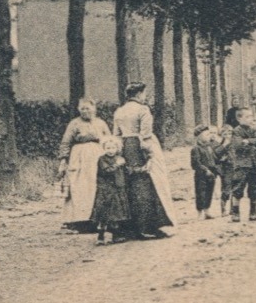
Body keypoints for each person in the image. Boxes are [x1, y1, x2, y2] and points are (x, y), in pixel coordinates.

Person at [112, 83, 176, 213]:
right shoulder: (143, 109)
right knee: (147, 180)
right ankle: (148, 222)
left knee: (128, 181)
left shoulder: (119, 111)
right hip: (139, 146)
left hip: (125, 146)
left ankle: (128, 223)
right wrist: (150, 154)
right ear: (139, 94)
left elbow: (116, 134)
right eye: (144, 94)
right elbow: (146, 134)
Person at [57, 98, 112, 230]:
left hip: (98, 157)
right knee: (79, 187)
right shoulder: (74, 123)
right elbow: (66, 142)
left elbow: (110, 140)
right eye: (82, 108)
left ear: (94, 108)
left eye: (88, 108)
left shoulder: (101, 123)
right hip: (79, 158)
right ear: (78, 110)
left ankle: (98, 219)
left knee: (97, 186)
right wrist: (63, 160)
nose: (85, 111)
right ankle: (78, 220)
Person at [119, 134, 173, 239]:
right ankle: (139, 229)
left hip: (137, 145)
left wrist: (150, 157)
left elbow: (145, 132)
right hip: (131, 146)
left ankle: (146, 227)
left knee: (144, 192)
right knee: (137, 193)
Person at [223, 113, 256, 222]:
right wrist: (248, 142)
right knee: (238, 188)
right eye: (247, 117)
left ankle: (253, 211)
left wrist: (248, 141)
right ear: (239, 118)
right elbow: (238, 145)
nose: (250, 119)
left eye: (251, 116)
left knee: (254, 189)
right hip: (241, 164)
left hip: (254, 164)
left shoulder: (253, 130)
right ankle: (235, 212)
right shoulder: (236, 131)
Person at [90, 136, 129, 245]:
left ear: (117, 148)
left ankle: (115, 236)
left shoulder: (119, 158)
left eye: (113, 148)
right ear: (104, 148)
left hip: (117, 189)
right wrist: (118, 164)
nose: (110, 150)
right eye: (108, 148)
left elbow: (125, 172)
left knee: (115, 214)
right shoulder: (102, 159)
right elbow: (108, 170)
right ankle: (100, 237)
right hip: (105, 190)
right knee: (103, 213)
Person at [190, 126, 222, 219]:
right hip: (201, 175)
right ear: (199, 136)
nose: (209, 136)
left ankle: (207, 211)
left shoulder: (209, 147)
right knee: (201, 192)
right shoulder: (196, 149)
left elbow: (214, 160)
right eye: (207, 134)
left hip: (211, 173)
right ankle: (199, 212)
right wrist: (205, 170)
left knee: (209, 192)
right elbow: (195, 164)